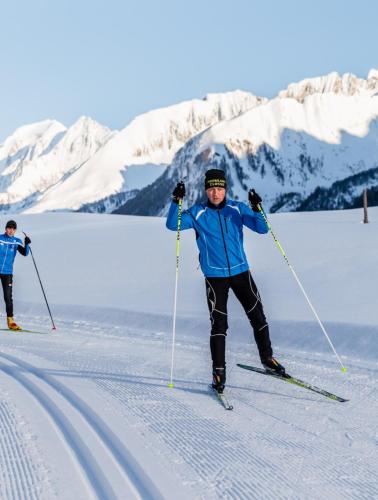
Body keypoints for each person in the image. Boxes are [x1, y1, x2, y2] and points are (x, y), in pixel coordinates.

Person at [166, 169, 285, 393]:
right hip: (214, 277)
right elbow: (173, 225)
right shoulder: (197, 213)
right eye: (211, 188)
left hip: (241, 273)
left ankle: (267, 359)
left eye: (219, 188)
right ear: (205, 190)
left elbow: (262, 228)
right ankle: (218, 373)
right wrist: (176, 201)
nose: (215, 193)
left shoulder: (236, 209)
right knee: (219, 325)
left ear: (225, 189)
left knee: (257, 316)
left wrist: (257, 208)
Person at [0, 220, 31, 330]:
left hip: (7, 273)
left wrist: (26, 243)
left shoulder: (16, 241)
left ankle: (11, 322)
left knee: (8, 298)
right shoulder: (0, 238)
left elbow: (25, 253)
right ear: (6, 228)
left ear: (15, 230)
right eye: (9, 228)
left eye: (13, 229)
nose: (11, 230)